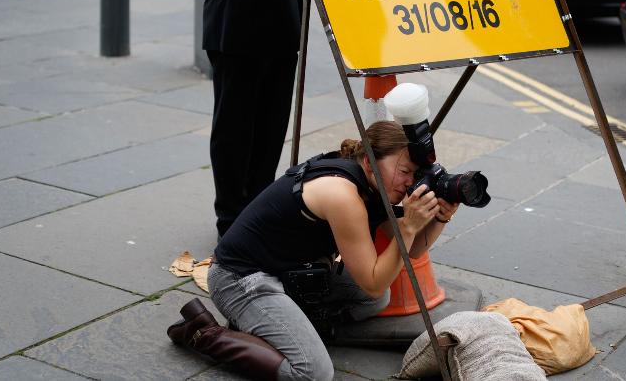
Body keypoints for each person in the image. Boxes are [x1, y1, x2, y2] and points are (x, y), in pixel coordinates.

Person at [168, 121, 459, 380]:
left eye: (414, 173)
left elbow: (414, 252)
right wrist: (408, 226)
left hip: (286, 274)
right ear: (370, 162)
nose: (410, 181)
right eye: (404, 171)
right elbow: (373, 280)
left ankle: (279, 327)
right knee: (313, 372)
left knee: (378, 300)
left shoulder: (373, 185)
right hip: (239, 279)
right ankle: (202, 333)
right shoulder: (341, 194)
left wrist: (440, 217)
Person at [197, 0, 304, 238]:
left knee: (271, 127)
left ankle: (257, 214)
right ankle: (231, 222)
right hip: (239, 25)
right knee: (236, 131)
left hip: (281, 23)